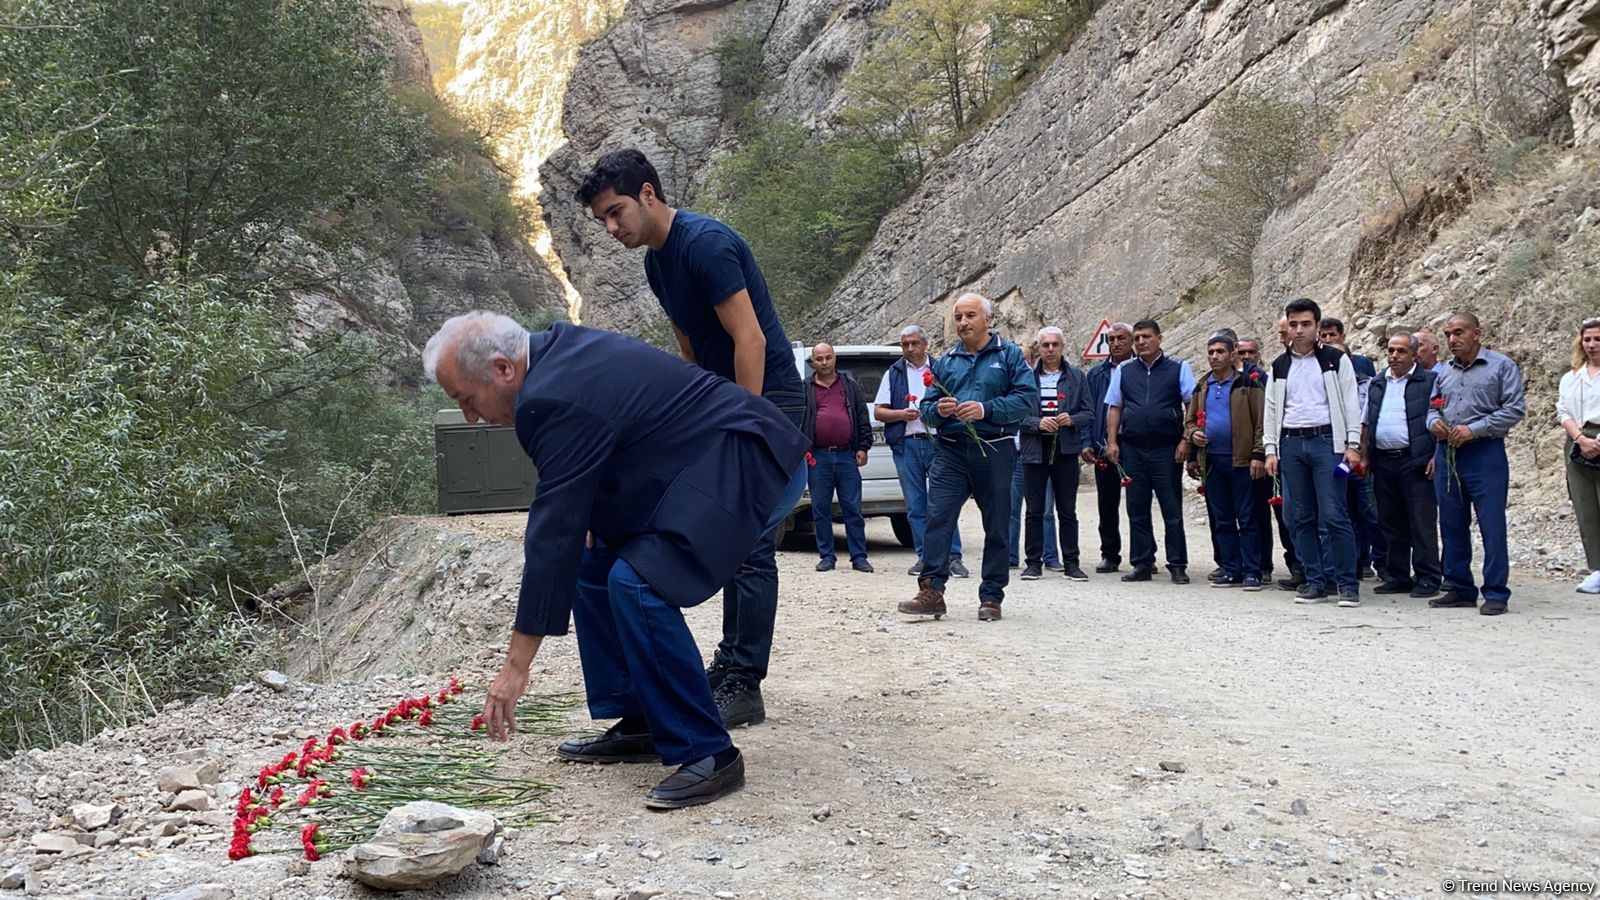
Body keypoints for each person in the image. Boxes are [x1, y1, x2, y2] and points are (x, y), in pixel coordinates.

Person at [425, 314, 808, 809]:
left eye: (465, 399)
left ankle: (710, 754)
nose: (471, 417)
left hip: (753, 461)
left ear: (502, 368)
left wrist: (516, 667)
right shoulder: (553, 355)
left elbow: (551, 535)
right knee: (592, 563)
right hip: (702, 462)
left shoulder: (547, 396)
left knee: (638, 582)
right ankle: (646, 718)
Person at [578, 149, 802, 728]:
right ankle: (726, 667)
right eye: (603, 218)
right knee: (721, 535)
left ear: (648, 193)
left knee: (748, 540)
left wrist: (744, 428)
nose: (611, 227)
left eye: (616, 211)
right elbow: (691, 352)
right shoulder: (657, 263)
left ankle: (743, 681)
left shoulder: (705, 244)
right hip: (721, 405)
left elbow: (748, 340)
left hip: (766, 401)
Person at [898, 293, 1037, 622]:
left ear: (987, 319)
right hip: (950, 451)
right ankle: (931, 590)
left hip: (995, 448)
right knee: (938, 518)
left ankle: (991, 596)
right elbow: (928, 409)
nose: (963, 323)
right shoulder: (945, 362)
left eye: (970, 316)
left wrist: (986, 409)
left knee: (997, 525)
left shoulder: (1011, 355)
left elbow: (1026, 399)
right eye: (958, 317)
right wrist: (939, 410)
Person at [1263, 298, 1364, 607]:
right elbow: (1271, 409)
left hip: (1327, 444)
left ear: (1317, 327)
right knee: (1298, 516)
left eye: (1305, 324)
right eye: (1293, 324)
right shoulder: (1280, 365)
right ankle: (1314, 582)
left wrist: (1353, 444)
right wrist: (1270, 449)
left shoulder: (1334, 359)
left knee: (1334, 514)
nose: (1299, 330)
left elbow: (1350, 401)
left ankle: (1347, 584)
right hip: (1291, 445)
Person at [1428, 312, 1526, 615]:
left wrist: (1475, 428)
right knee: (1451, 522)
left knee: (1491, 524)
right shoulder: (1444, 371)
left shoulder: (1501, 366)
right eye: (1447, 334)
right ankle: (1459, 587)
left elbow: (1514, 409)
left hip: (1485, 453)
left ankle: (1496, 591)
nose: (1452, 340)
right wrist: (1434, 423)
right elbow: (1432, 406)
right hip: (1448, 454)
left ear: (1477, 334)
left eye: (1458, 333)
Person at [1105, 319, 1195, 584]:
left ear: (1159, 338)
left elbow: (1191, 403)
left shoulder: (1179, 367)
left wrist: (1186, 440)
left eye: (1146, 337)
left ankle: (1177, 565)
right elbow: (1114, 407)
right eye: (1138, 338)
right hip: (1133, 448)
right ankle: (1142, 563)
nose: (1141, 342)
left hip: (1167, 449)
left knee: (1172, 509)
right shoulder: (1124, 370)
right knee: (1137, 507)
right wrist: (1112, 441)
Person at [873, 326, 968, 578]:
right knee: (915, 504)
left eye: (914, 343)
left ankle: (952, 556)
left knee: (944, 501)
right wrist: (901, 415)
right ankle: (925, 557)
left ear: (925, 344)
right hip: (907, 444)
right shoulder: (893, 373)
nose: (910, 349)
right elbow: (879, 412)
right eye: (905, 344)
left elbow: (958, 402)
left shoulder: (942, 368)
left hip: (939, 442)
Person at [1360, 332, 1441, 599]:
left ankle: (1428, 577)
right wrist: (1364, 455)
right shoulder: (1378, 382)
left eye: (1401, 351)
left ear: (1415, 354)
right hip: (1383, 461)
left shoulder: (1429, 381)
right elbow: (1367, 421)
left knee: (1421, 521)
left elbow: (1442, 419)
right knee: (1390, 521)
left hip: (1415, 460)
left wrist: (1435, 456)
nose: (1394, 356)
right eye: (1391, 350)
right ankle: (1397, 575)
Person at [1185, 332, 1266, 589]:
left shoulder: (1248, 384)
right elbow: (1188, 421)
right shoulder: (1202, 385)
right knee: (1222, 518)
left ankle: (1253, 570)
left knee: (1248, 517)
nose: (1214, 356)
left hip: (1242, 462)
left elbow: (1261, 421)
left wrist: (1258, 454)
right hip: (1212, 462)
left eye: (1220, 351)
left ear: (1232, 355)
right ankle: (1232, 568)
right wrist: (1193, 434)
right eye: (1210, 352)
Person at [1019, 327, 1093, 581]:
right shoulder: (1025, 377)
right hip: (1034, 450)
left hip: (1065, 450)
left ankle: (1071, 562)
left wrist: (1071, 419)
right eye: (1045, 345)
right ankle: (1033, 563)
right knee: (1034, 510)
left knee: (1067, 510)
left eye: (1055, 345)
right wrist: (1036, 423)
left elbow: (1089, 412)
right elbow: (1015, 413)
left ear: (1063, 346)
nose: (1050, 350)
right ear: (1038, 348)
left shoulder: (1077, 377)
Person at [1319, 319, 1384, 580]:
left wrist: (1364, 454)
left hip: (1359, 460)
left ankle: (1380, 563)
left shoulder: (1368, 386)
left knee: (1370, 513)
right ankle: (1344, 567)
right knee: (1337, 512)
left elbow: (1369, 421)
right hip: (1332, 459)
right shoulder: (1319, 389)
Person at [803, 343, 873, 573]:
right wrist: (804, 450)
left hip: (846, 456)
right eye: (819, 359)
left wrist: (863, 447)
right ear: (812, 362)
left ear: (835, 359)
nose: (824, 362)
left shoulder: (849, 386)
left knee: (852, 508)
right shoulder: (806, 388)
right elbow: (798, 421)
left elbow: (862, 416)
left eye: (828, 357)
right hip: (818, 457)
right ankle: (826, 557)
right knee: (820, 509)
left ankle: (859, 557)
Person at [1084, 323, 1134, 573]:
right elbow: (1088, 410)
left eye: (1121, 338)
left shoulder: (1139, 369)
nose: (1115, 343)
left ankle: (1143, 556)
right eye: (1111, 339)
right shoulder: (1096, 374)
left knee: (1138, 502)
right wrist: (1087, 442)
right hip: (1103, 443)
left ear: (1132, 340)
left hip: (1134, 443)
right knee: (1107, 502)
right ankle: (1110, 554)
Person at [1558, 317, 1600, 593]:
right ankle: (1597, 569)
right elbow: (1563, 410)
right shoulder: (1572, 376)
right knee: (1586, 508)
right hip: (1577, 441)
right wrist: (1580, 438)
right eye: (1587, 339)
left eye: (1597, 339)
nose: (1592, 344)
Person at [1236, 337, 1278, 583]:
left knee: (1275, 514)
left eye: (1251, 352)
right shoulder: (1230, 380)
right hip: (1242, 459)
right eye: (1242, 351)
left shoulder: (1264, 380)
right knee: (1251, 513)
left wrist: (1261, 453)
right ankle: (1257, 563)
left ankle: (1288, 564)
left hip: (1265, 456)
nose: (1247, 356)